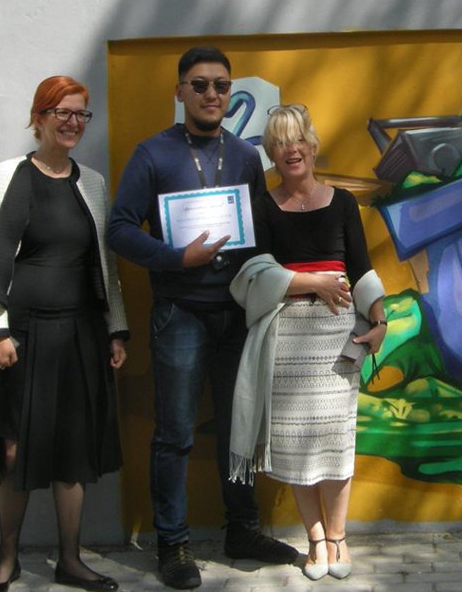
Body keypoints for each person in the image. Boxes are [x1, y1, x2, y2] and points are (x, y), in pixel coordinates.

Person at [106, 47, 297, 589]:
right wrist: (175, 258)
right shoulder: (152, 154)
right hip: (180, 313)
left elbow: (259, 232)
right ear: (180, 91)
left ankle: (242, 531)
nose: (211, 94)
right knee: (175, 434)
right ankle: (173, 545)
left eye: (220, 85)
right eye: (199, 85)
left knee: (240, 428)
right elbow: (119, 229)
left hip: (236, 312)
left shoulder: (244, 156)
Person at [0, 76, 128, 592]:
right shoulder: (11, 175)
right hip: (23, 336)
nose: (72, 122)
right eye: (62, 112)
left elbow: (104, 264)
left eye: (81, 114)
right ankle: (8, 560)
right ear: (39, 118)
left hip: (81, 335)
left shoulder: (93, 183)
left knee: (73, 452)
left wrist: (115, 328)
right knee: (14, 450)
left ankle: (70, 560)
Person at [228, 104, 387, 581]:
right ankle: (315, 539)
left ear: (312, 146)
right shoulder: (262, 207)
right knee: (295, 444)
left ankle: (338, 536)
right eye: (279, 143)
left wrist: (380, 319)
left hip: (337, 334)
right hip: (285, 338)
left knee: (336, 442)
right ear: (271, 154)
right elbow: (255, 274)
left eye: (297, 139)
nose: (290, 149)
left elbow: (360, 268)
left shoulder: (343, 203)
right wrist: (312, 282)